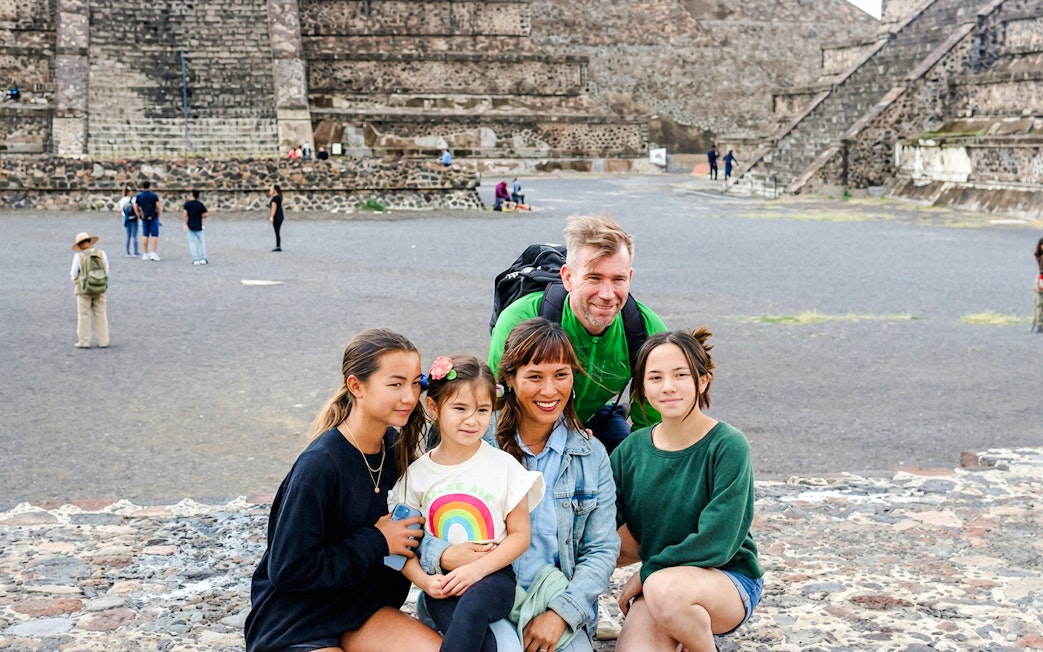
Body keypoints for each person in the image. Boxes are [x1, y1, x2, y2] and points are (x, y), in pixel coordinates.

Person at [421, 318, 619, 652]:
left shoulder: (590, 454)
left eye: (561, 374)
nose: (549, 390)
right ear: (510, 379)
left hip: (551, 598)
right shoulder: (475, 436)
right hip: (479, 592)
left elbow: (601, 549)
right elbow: (420, 518)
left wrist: (562, 613)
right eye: (535, 376)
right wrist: (444, 554)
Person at [244, 328, 442, 652]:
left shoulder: (397, 450)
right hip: (297, 621)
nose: (409, 397)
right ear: (356, 386)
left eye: (415, 383)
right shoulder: (320, 465)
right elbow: (288, 569)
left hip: (362, 611)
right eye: (395, 384)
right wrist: (377, 541)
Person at [611, 328, 764, 652]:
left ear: (702, 380)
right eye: (655, 378)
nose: (668, 387)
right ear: (641, 387)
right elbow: (603, 527)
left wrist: (646, 573)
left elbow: (718, 541)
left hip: (726, 580)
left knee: (664, 590)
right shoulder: (630, 451)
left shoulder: (727, 445)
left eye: (680, 375)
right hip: (662, 586)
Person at [391, 354, 544, 652]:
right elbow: (400, 548)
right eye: (460, 408)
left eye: (483, 410)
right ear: (434, 407)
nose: (472, 420)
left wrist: (477, 570)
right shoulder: (416, 475)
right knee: (482, 644)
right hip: (442, 585)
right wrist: (424, 582)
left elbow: (520, 536)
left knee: (472, 610)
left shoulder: (505, 467)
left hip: (493, 578)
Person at [488, 214, 668, 454]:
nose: (607, 293)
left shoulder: (646, 332)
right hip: (528, 426)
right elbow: (496, 405)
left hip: (596, 418)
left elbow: (651, 422)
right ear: (568, 277)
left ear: (630, 278)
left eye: (618, 279)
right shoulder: (518, 320)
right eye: (594, 278)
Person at [69, 232, 109, 349]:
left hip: (84, 289)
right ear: (89, 242)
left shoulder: (79, 256)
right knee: (101, 314)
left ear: (80, 245)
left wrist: (76, 280)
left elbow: (74, 273)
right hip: (100, 287)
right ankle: (103, 340)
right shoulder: (101, 253)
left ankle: (84, 341)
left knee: (84, 315)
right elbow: (106, 270)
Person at [134, 181, 162, 261]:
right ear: (149, 186)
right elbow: (158, 207)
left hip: (144, 217)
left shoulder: (139, 196)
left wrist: (138, 215)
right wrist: (159, 215)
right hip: (153, 216)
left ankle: (145, 253)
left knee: (145, 235)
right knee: (154, 235)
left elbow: (135, 206)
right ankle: (153, 253)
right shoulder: (154, 196)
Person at [182, 189, 209, 265]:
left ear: (192, 195)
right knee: (201, 242)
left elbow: (185, 214)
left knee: (192, 242)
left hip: (190, 224)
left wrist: (184, 223)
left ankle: (195, 259)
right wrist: (199, 217)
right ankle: (203, 258)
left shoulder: (187, 204)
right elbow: (206, 214)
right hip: (199, 225)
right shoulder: (200, 204)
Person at [117, 186, 140, 257]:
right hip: (133, 218)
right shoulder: (133, 199)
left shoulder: (122, 200)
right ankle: (136, 251)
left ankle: (127, 252)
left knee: (128, 236)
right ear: (129, 192)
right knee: (135, 236)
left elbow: (120, 208)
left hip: (126, 219)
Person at [268, 185, 284, 252]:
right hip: (280, 215)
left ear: (275, 190)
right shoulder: (278, 197)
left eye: (271, 189)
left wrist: (271, 217)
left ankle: (278, 246)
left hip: (277, 216)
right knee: (277, 231)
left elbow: (274, 208)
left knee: (277, 231)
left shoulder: (275, 199)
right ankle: (278, 245)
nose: (270, 191)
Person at [1033, 237, 1043, 333]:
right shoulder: (1040, 257)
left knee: (1038, 303)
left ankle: (1038, 323)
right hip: (1040, 280)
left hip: (1040, 280)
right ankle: (1038, 324)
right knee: (1038, 303)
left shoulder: (1040, 256)